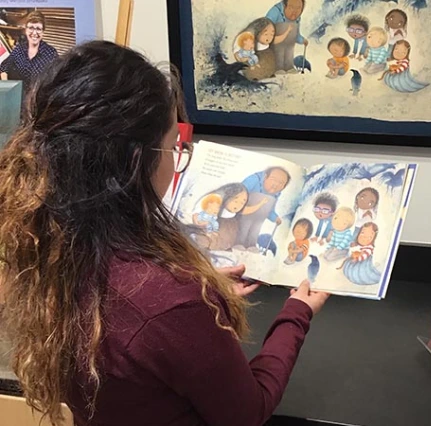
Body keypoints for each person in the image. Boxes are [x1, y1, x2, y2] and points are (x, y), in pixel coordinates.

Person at [0, 40, 330, 426]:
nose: (176, 158)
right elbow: (246, 413)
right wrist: (297, 314)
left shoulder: (47, 251)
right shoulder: (171, 303)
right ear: (138, 160)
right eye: (173, 145)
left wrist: (199, 293)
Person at [0, 11, 58, 94]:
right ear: (26, 30)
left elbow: (57, 81)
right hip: (19, 98)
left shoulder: (51, 53)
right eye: (31, 28)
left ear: (43, 32)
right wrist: (6, 88)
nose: (34, 33)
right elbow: (4, 66)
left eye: (38, 29)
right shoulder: (19, 49)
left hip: (38, 101)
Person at [235, 166, 291, 251]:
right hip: (245, 212)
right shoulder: (254, 180)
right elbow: (237, 193)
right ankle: (238, 243)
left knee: (255, 229)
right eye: (273, 179)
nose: (276, 185)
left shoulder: (276, 194)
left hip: (259, 218)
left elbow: (270, 210)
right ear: (265, 177)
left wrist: (275, 217)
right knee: (244, 226)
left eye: (281, 183)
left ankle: (251, 245)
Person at [266, 0, 309, 74]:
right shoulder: (275, 12)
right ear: (285, 5)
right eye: (291, 7)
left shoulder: (297, 18)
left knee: (289, 52)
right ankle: (277, 68)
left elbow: (296, 34)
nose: (295, 11)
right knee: (278, 51)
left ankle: (289, 67)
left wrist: (302, 40)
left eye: (298, 8)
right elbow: (265, 26)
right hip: (276, 42)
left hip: (289, 44)